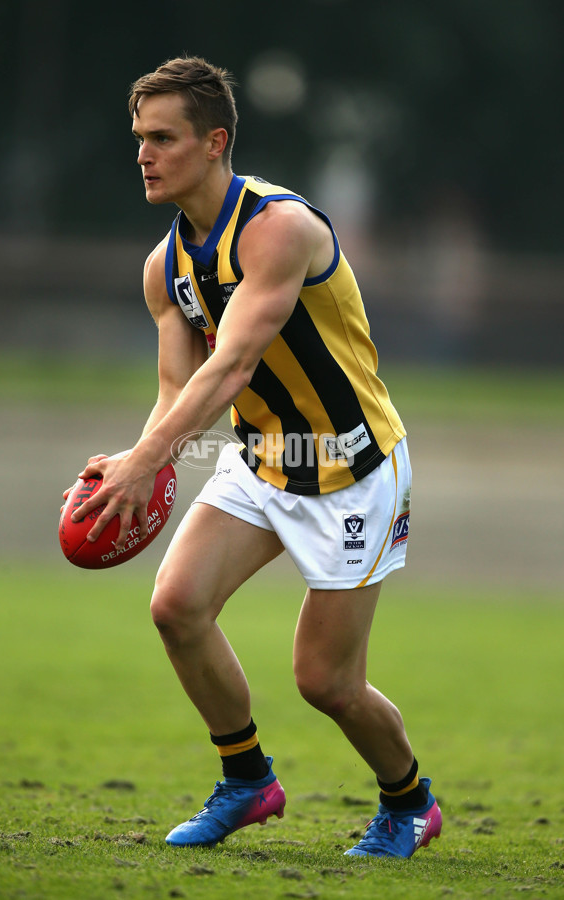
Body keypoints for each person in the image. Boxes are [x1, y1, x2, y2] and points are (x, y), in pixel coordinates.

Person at [67, 55, 442, 858]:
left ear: (215, 142)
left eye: (163, 138)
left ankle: (410, 802)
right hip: (261, 457)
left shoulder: (280, 229)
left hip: (352, 470)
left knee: (326, 683)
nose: (143, 154)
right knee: (176, 606)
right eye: (139, 138)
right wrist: (139, 456)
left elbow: (232, 365)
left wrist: (149, 461)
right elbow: (179, 388)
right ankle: (247, 782)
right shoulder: (164, 269)